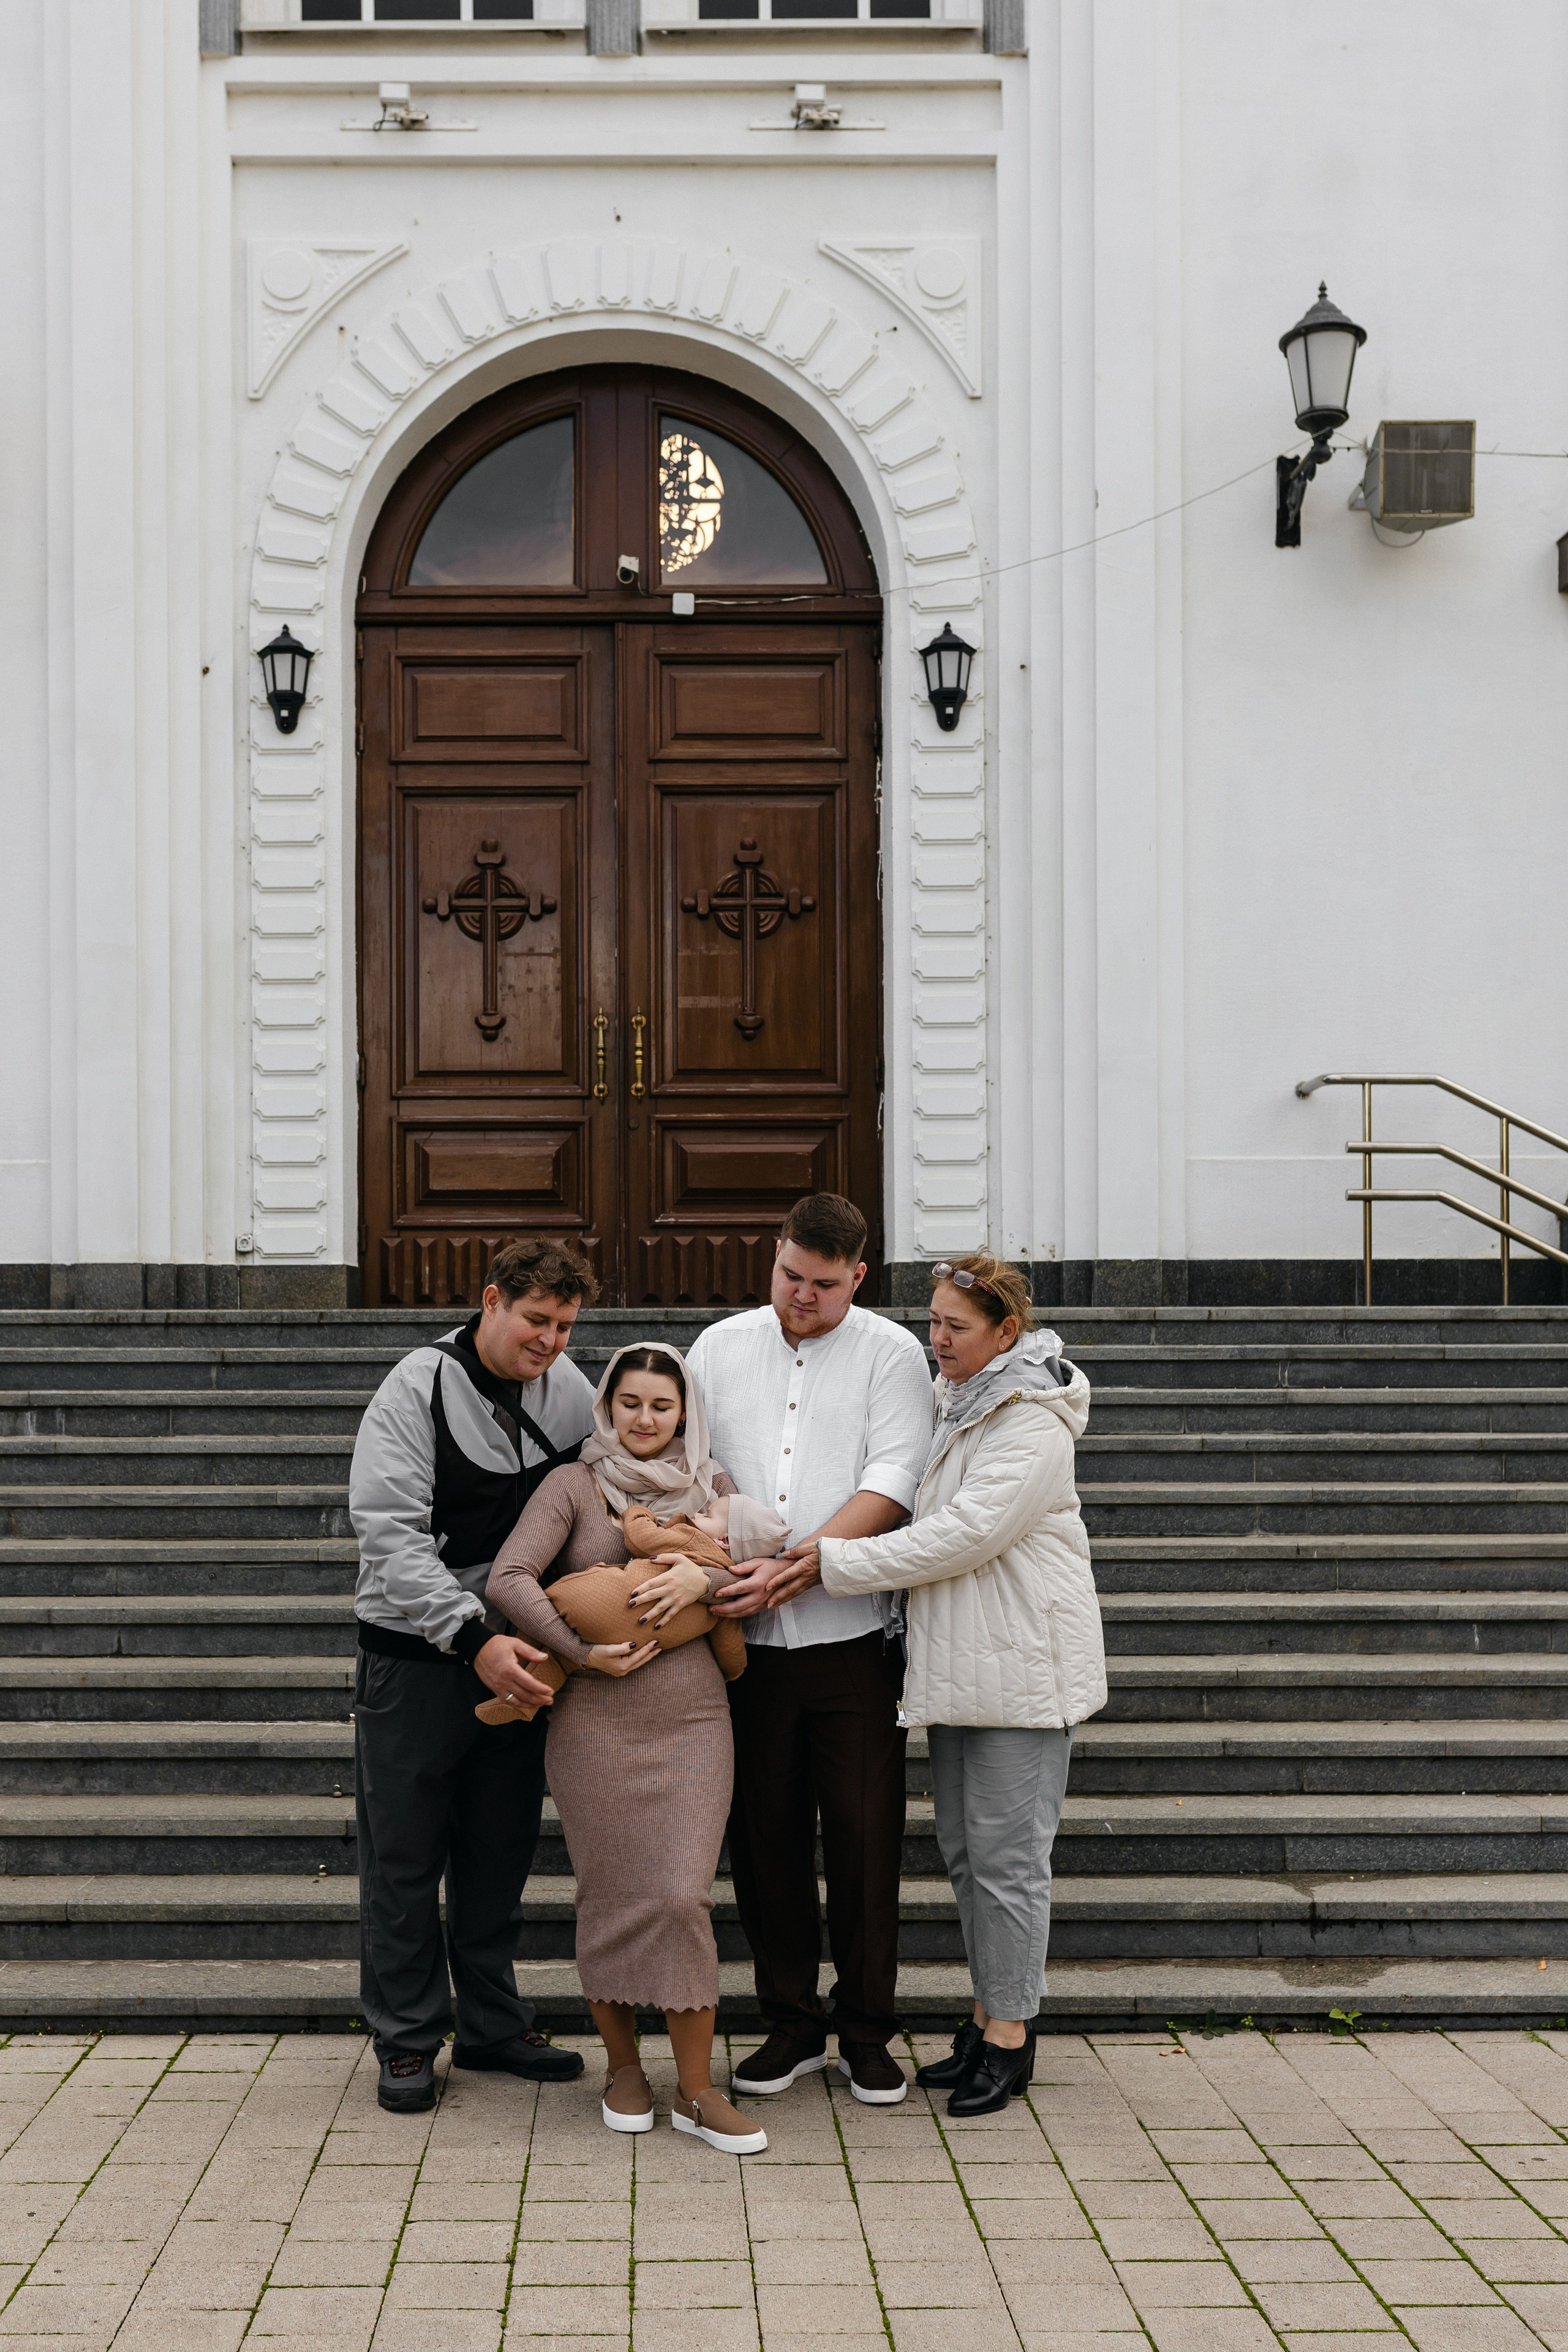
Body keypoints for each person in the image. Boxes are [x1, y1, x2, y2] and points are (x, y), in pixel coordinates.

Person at [785, 1252, 1105, 2116]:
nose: (937, 1341)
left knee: (1008, 1864)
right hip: (970, 1669)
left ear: (1009, 1333)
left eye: (956, 1329)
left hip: (1023, 1673)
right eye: (932, 1323)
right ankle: (986, 2019)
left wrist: (829, 1563)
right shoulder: (962, 1402)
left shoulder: (1030, 1419)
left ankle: (1011, 2038)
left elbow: (965, 1534)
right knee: (972, 1860)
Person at [488, 1343, 783, 2155]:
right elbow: (510, 1578)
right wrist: (579, 1654)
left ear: (684, 1412)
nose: (646, 1420)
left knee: (682, 1895)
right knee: (613, 1891)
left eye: (662, 1405)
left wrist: (704, 1583)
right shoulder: (573, 1486)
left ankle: (695, 2091)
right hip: (594, 1728)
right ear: (607, 1409)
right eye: (631, 1405)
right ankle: (624, 2069)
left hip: (693, 1724)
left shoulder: (712, 1487)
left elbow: (760, 1577)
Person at [688, 1193, 935, 2107]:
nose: (802, 1296)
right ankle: (789, 2022)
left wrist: (807, 1564)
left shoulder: (891, 1352)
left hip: (853, 1642)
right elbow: (696, 1469)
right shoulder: (719, 1346)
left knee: (868, 1841)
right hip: (744, 1645)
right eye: (791, 1275)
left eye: (824, 1285)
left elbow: (895, 1477)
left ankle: (868, 2030)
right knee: (766, 1840)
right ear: (777, 1253)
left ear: (858, 1277)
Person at [349, 1236, 600, 2113]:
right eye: (537, 1320)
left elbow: (593, 1514)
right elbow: (387, 1533)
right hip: (416, 1658)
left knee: (498, 1848)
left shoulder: (573, 1394)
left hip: (522, 1659)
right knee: (405, 1855)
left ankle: (493, 2025)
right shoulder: (412, 1389)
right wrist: (472, 1637)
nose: (552, 1342)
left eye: (566, 1326)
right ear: (491, 1301)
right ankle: (410, 2039)